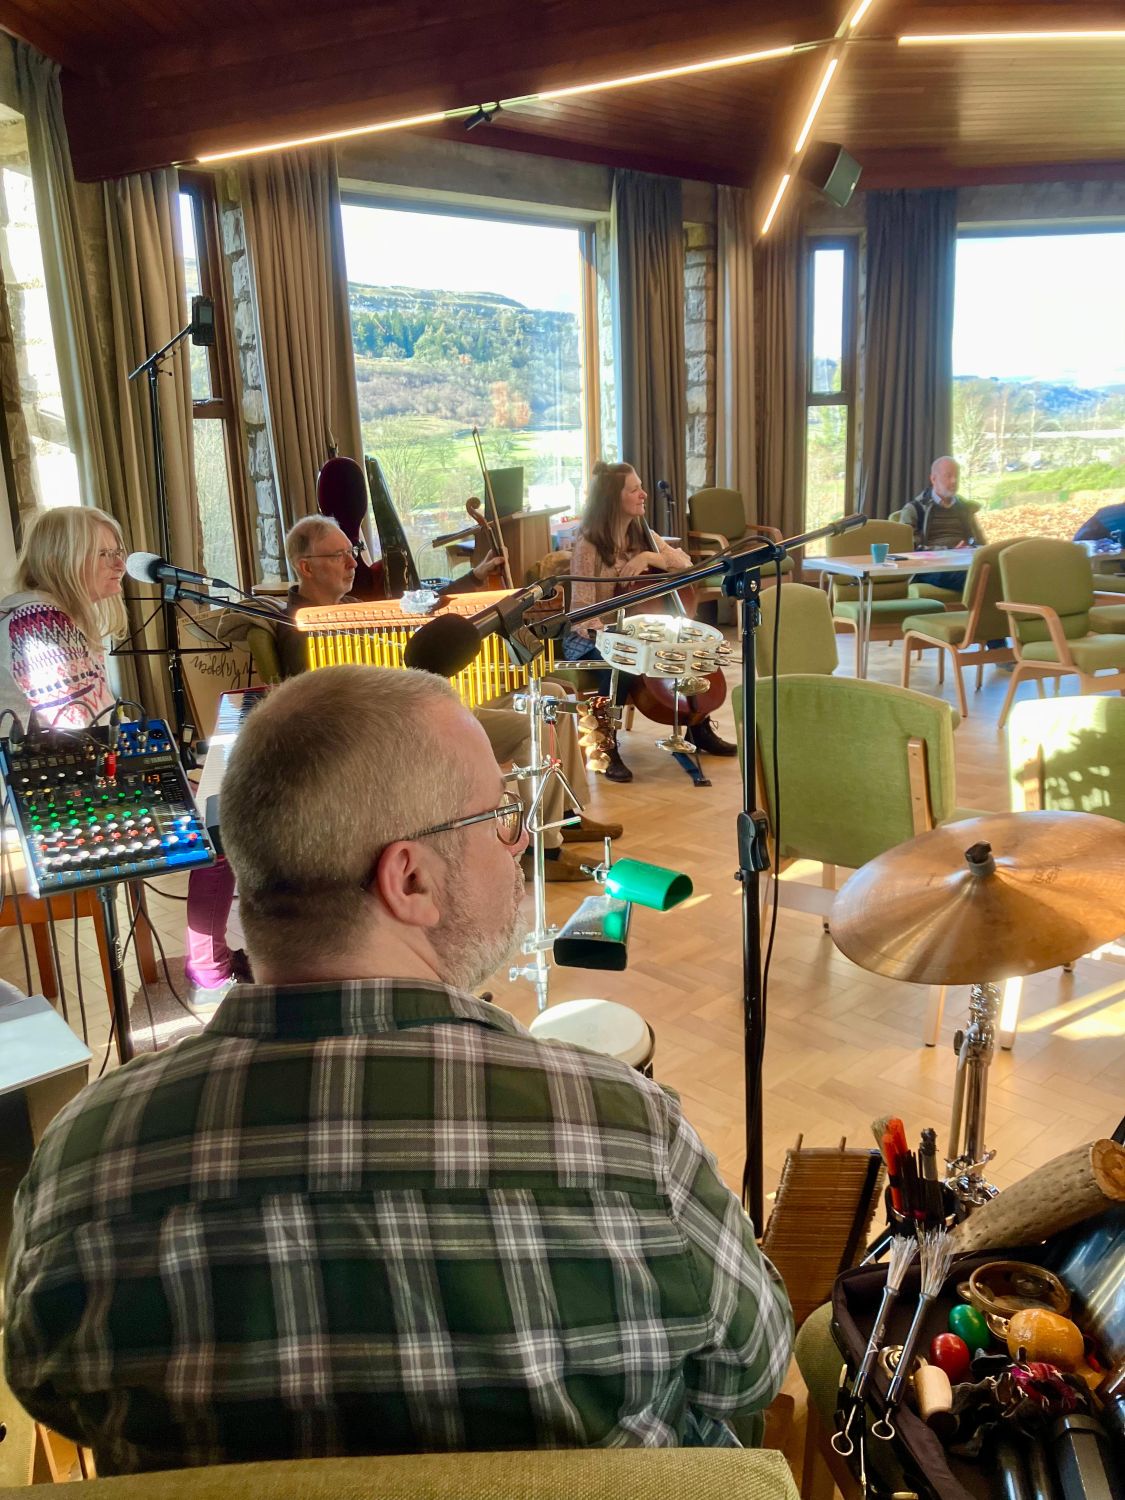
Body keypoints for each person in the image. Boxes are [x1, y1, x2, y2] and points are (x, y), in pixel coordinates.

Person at [5, 665, 793, 1474]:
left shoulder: (82, 1157)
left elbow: (47, 1392)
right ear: (409, 878)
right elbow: (750, 1371)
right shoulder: (626, 1135)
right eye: (500, 817)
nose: (519, 840)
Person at [564, 461, 736, 782]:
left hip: (642, 633)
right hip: (593, 635)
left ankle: (698, 727)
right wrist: (613, 638)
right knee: (623, 660)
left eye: (641, 487)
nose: (643, 494)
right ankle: (605, 744)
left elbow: (685, 564)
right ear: (613, 499)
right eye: (634, 490)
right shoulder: (588, 545)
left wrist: (649, 557)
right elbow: (582, 612)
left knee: (689, 649)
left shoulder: (644, 536)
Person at [0, 506, 127, 731]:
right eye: (103, 554)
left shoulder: (62, 617)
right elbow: (77, 726)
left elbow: (101, 719)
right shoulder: (38, 621)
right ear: (57, 561)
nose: (120, 565)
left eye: (117, 553)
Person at [901, 456, 985, 594]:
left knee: (1000, 569)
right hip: (932, 567)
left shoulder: (965, 508)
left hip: (965, 562)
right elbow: (910, 548)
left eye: (957, 476)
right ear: (933, 479)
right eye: (948, 476)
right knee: (976, 576)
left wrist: (972, 548)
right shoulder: (915, 509)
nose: (954, 481)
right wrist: (950, 551)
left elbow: (981, 542)